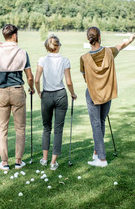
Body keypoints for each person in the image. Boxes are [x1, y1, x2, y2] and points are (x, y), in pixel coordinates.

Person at [80, 27, 135, 167]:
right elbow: (121, 46)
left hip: (93, 94)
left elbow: (85, 78)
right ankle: (97, 152)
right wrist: (130, 40)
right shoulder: (109, 52)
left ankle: (102, 159)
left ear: (88, 39)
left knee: (96, 124)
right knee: (101, 122)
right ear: (100, 37)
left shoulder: (84, 58)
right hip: (107, 93)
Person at [0, 24, 35, 171]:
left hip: (2, 92)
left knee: (2, 129)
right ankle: (18, 161)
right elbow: (29, 76)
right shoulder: (22, 53)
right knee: (20, 128)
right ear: (14, 35)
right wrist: (32, 87)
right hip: (17, 92)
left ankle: (4, 162)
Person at [35, 34, 77, 170]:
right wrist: (73, 93)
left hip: (46, 95)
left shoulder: (42, 60)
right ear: (58, 46)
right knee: (58, 129)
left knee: (46, 128)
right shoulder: (65, 60)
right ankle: (53, 162)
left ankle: (44, 159)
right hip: (60, 95)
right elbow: (69, 82)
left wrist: (39, 92)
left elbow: (36, 80)